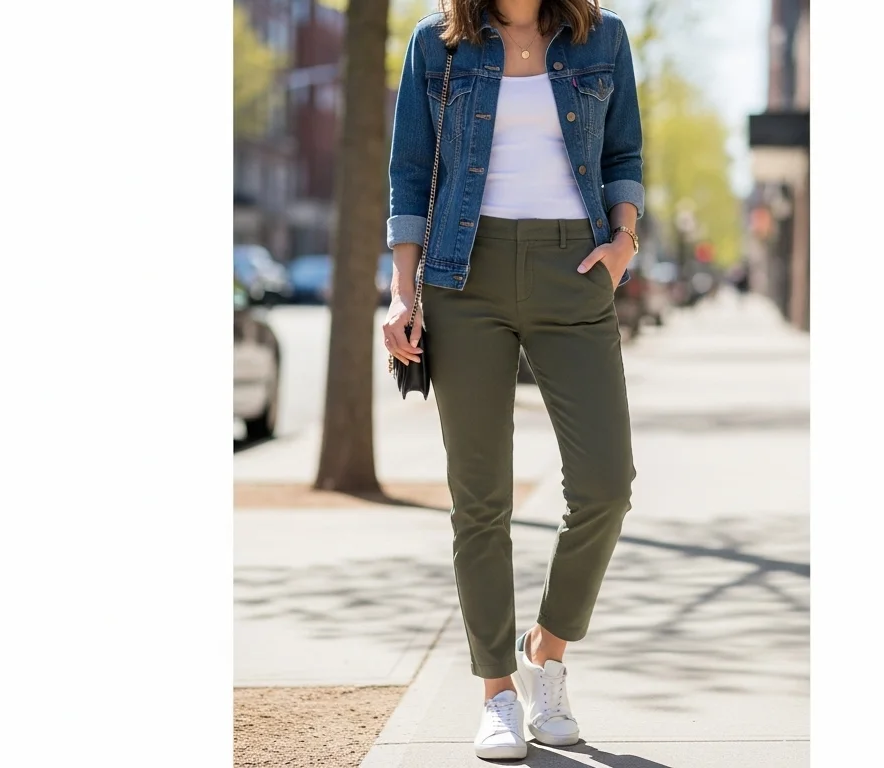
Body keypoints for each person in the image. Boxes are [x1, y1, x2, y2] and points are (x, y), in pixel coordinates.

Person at [383, 0, 642, 759]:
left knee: (604, 484)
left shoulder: (604, 38)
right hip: (467, 275)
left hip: (576, 267)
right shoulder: (438, 44)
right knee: (481, 495)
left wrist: (623, 241)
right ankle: (497, 692)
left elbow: (623, 152)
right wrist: (403, 291)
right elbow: (409, 169)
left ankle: (547, 653)